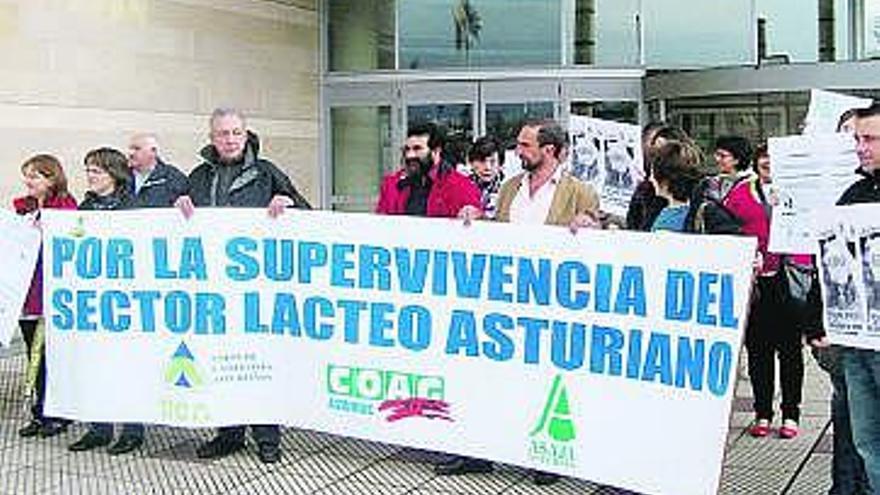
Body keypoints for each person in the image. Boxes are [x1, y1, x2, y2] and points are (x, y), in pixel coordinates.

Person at [442, 119, 600, 486]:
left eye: (526, 145)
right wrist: (475, 219)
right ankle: (484, 452)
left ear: (551, 151)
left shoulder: (579, 192)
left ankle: (544, 456)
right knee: (494, 377)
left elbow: (607, 238)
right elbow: (498, 235)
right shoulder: (512, 187)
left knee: (546, 381)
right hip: (507, 301)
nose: (518, 151)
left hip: (551, 305)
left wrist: (590, 227)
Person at [174, 108, 310, 464]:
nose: (230, 139)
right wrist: (178, 207)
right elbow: (178, 226)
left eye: (236, 132)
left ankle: (267, 436)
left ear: (247, 135)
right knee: (219, 359)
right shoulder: (199, 177)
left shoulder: (267, 173)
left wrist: (289, 203)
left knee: (259, 361)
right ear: (211, 138)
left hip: (257, 289)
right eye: (223, 133)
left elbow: (307, 216)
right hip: (214, 290)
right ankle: (228, 433)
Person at [723, 144, 808, 440]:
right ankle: (762, 411)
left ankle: (791, 413)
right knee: (758, 352)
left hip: (790, 279)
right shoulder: (740, 192)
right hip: (757, 281)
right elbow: (727, 228)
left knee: (790, 352)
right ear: (756, 164)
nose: (768, 164)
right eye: (764, 160)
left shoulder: (798, 191)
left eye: (774, 160)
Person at [820, 102, 880, 491]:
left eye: (870, 138)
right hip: (856, 342)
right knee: (868, 444)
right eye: (858, 138)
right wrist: (818, 321)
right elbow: (829, 256)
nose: (860, 147)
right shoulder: (855, 192)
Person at [67, 148, 138, 452]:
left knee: (127, 367)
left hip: (125, 300)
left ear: (113, 174)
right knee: (94, 364)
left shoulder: (133, 208)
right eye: (88, 170)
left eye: (96, 171)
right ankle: (99, 428)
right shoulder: (86, 206)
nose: (90, 176)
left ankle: (132, 430)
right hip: (94, 302)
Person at [13, 155, 77, 440]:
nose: (29, 181)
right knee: (33, 354)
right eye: (27, 175)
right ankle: (39, 411)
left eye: (36, 175)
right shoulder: (23, 209)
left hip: (51, 292)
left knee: (53, 355)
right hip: (25, 293)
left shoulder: (64, 207)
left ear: (52, 179)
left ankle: (59, 412)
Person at [375, 122, 480, 218]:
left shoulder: (461, 186)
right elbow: (380, 226)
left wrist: (471, 214)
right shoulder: (392, 185)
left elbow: (476, 227)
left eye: (417, 149)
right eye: (407, 149)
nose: (409, 155)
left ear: (436, 151)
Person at [625, 124, 691, 231]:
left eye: (665, 149)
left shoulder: (697, 193)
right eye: (654, 150)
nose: (658, 155)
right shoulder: (644, 190)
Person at [648, 140, 704, 232]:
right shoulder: (695, 211)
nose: (651, 179)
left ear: (665, 180)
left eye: (652, 174)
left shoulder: (667, 220)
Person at [128, 133, 189, 207]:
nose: (130, 153)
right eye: (130, 149)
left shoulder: (172, 177)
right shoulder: (122, 175)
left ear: (153, 151)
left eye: (137, 149)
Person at [466, 136, 504, 219]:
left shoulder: (508, 188)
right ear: (471, 163)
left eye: (493, 162)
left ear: (500, 165)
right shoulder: (462, 186)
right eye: (482, 161)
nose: (488, 167)